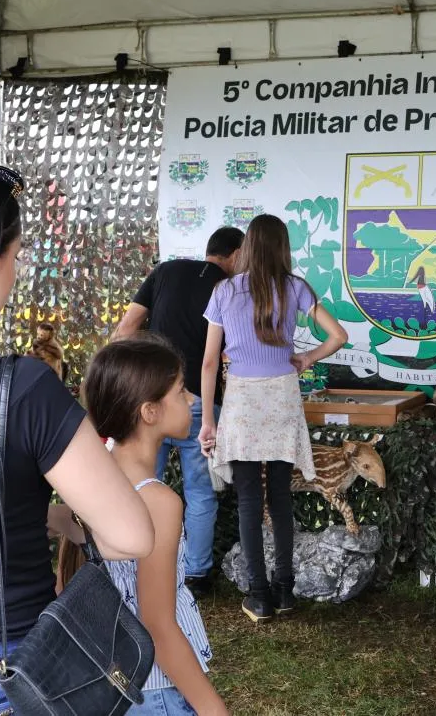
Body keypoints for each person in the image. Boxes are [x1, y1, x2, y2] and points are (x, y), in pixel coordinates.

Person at [0, 159, 154, 714]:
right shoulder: (19, 390)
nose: (15, 274)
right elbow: (130, 536)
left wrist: (30, 512)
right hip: (1, 672)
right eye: (16, 257)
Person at [198, 214, 348, 622]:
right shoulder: (295, 287)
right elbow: (339, 336)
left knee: (249, 499)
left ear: (247, 246)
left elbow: (209, 362)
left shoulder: (224, 290)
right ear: (283, 247)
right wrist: (308, 357)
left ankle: (259, 596)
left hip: (242, 399)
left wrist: (209, 419)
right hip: (282, 395)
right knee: (280, 496)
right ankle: (284, 591)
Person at [77, 336, 228, 716]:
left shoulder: (93, 474)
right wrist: (213, 708)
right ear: (149, 411)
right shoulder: (157, 502)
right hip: (157, 689)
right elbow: (158, 626)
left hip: (111, 680)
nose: (192, 399)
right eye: (181, 391)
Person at [113, 226, 244, 594]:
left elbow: (126, 328)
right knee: (199, 491)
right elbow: (231, 354)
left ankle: (135, 564)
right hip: (197, 402)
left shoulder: (165, 271)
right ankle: (195, 575)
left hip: (150, 401)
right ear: (235, 255)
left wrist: (128, 382)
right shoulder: (229, 289)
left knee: (141, 483)